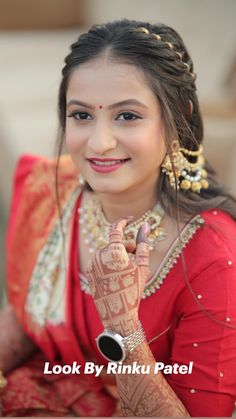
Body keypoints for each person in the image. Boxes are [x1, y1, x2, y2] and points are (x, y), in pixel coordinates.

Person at [0, 18, 236, 417]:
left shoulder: (215, 259)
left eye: (127, 115)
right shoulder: (54, 191)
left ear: (178, 117)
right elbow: (28, 313)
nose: (99, 142)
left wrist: (122, 321)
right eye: (81, 115)